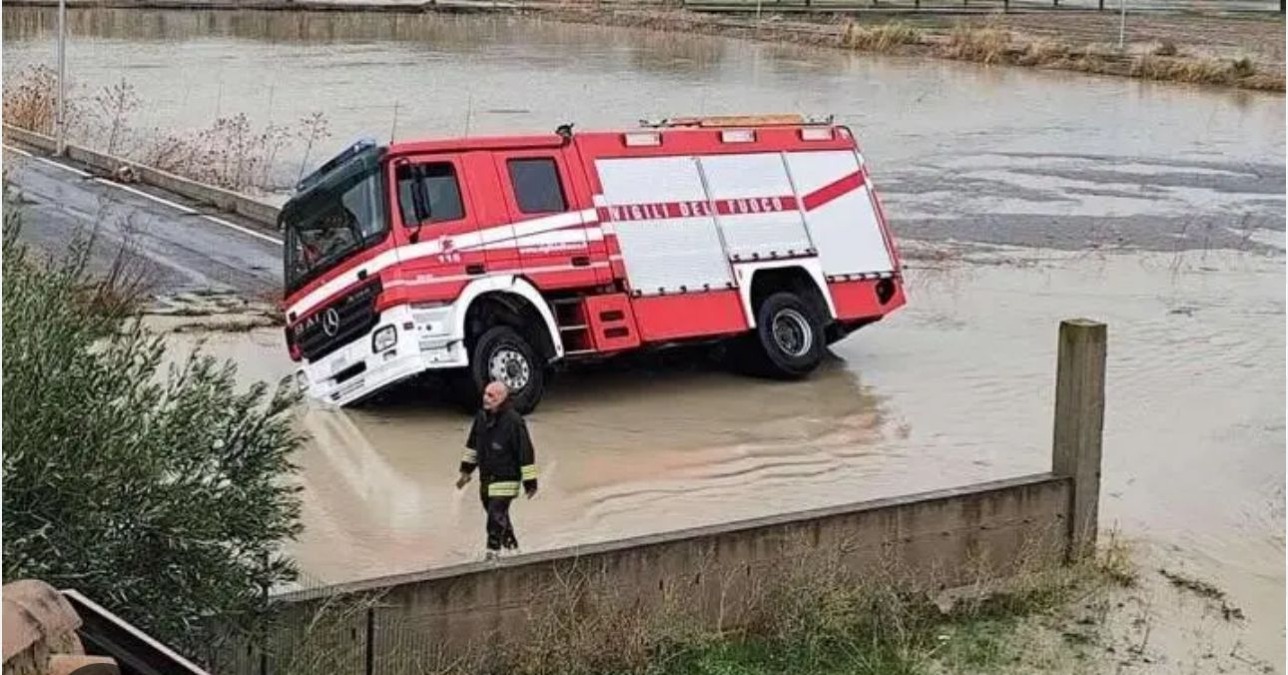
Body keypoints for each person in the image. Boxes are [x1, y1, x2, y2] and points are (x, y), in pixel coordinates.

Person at [455, 381, 538, 560]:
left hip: (507, 477)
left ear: (502, 397)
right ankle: (512, 549)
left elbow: (526, 452)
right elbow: (472, 446)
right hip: (486, 478)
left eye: (491, 396)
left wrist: (530, 482)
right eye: (485, 394)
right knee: (499, 517)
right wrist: (466, 471)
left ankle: (491, 554)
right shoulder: (481, 418)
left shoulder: (514, 421)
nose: (486, 398)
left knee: (495, 515)